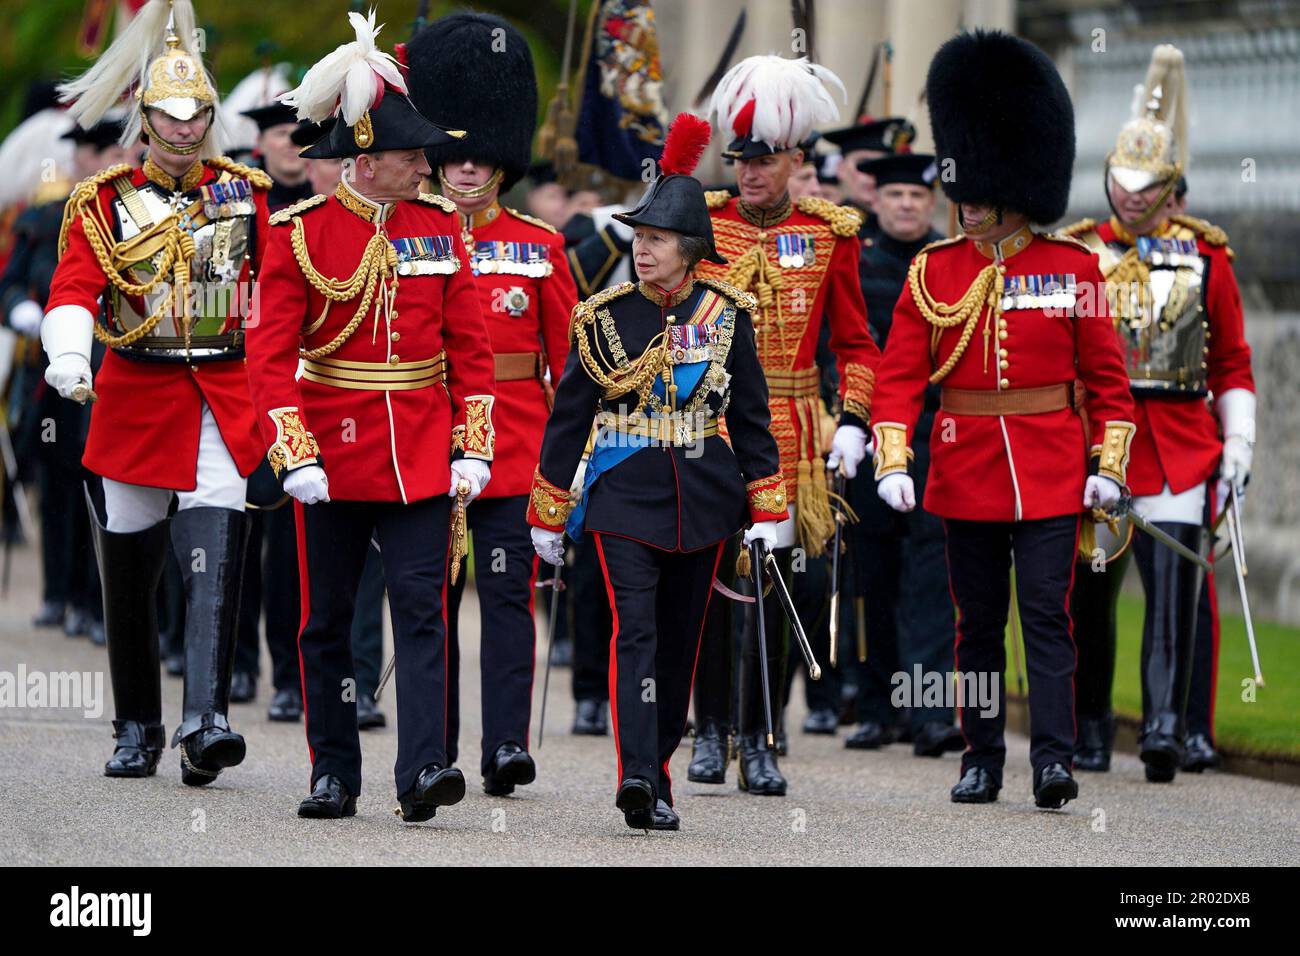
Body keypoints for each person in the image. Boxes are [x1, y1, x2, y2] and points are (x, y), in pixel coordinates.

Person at [870, 30, 1136, 810]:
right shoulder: (935, 270)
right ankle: (980, 756)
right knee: (977, 626)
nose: (969, 200)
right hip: (963, 469)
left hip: (1053, 470)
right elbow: (899, 379)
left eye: (981, 188)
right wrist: (892, 457)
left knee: (1048, 621)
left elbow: (1109, 385)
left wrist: (1107, 466)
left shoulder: (1076, 269)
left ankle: (1053, 760)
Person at [246, 10, 496, 822]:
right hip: (329, 454)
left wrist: (473, 445)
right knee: (327, 622)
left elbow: (474, 351)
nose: (428, 166)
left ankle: (424, 769)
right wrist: (294, 451)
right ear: (365, 158)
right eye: (411, 156)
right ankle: (333, 772)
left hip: (422, 452)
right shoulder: (297, 236)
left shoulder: (441, 229)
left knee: (425, 614)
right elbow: (268, 358)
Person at [529, 113, 785, 831]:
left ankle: (662, 764)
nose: (642, 252)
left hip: (706, 495)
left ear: (691, 249)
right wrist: (548, 512)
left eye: (657, 241)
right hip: (623, 493)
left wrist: (769, 509)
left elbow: (755, 420)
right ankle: (638, 775)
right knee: (634, 631)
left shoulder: (728, 317)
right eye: (638, 239)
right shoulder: (602, 317)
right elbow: (570, 417)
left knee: (679, 642)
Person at [41, 0, 269, 785]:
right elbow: (73, 285)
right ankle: (138, 721)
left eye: (194, 115)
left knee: (215, 538)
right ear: (145, 117)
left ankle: (205, 719)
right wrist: (69, 353)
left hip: (221, 389)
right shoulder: (100, 200)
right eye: (168, 116)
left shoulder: (246, 194)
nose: (182, 128)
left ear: (208, 117)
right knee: (130, 566)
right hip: (136, 394)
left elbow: (272, 296)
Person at [1059, 46, 1254, 781]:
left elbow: (1232, 361)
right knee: (1089, 592)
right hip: (1099, 442)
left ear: (1171, 188)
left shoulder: (1210, 260)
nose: (1131, 197)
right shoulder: (1080, 255)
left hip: (1177, 442)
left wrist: (1238, 443)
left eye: (1147, 187)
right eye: (1122, 183)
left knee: (1174, 593)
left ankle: (1167, 723)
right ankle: (1089, 722)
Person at [689, 55, 881, 795]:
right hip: (712, 421)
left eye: (764, 159)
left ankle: (764, 736)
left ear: (796, 159)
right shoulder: (703, 225)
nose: (749, 172)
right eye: (740, 159)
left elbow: (856, 344)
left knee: (779, 582)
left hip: (795, 428)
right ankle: (709, 729)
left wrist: (855, 419)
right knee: (710, 577)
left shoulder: (831, 234)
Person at [406, 11, 577, 796]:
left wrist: (568, 456)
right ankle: (433, 746)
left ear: (502, 166)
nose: (466, 171)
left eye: (480, 160)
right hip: (428, 432)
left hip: (512, 443)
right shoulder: (410, 239)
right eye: (454, 157)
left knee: (507, 593)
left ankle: (506, 741)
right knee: (431, 594)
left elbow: (569, 355)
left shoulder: (538, 246)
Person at [841, 151, 963, 757]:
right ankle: (876, 706)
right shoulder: (856, 264)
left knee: (932, 576)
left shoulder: (950, 263)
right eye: (896, 196)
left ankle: (931, 710)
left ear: (932, 204)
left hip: (936, 436)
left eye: (918, 197)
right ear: (877, 201)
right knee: (873, 575)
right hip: (869, 437)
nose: (908, 206)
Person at [1, 116, 131, 644]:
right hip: (52, 375)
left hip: (114, 368)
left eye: (109, 152)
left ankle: (95, 602)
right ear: (77, 159)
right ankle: (59, 593)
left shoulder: (137, 219)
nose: (99, 163)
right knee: (57, 483)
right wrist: (21, 312)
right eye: (90, 153)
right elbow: (9, 284)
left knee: (103, 486)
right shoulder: (43, 219)